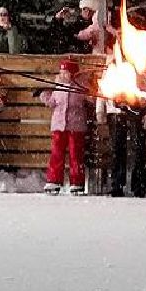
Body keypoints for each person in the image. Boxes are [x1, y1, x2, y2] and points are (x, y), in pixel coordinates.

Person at [38, 58, 90, 194]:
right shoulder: (58, 87)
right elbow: (52, 102)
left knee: (75, 154)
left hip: (75, 126)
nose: (63, 75)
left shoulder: (80, 87)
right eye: (61, 72)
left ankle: (77, 182)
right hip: (59, 125)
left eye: (65, 72)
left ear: (73, 74)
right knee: (57, 153)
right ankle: (54, 180)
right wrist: (44, 95)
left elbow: (89, 99)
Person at [104, 96, 146, 198]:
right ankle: (117, 184)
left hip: (138, 110)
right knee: (117, 148)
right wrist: (100, 110)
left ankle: (139, 185)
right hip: (115, 111)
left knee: (138, 148)